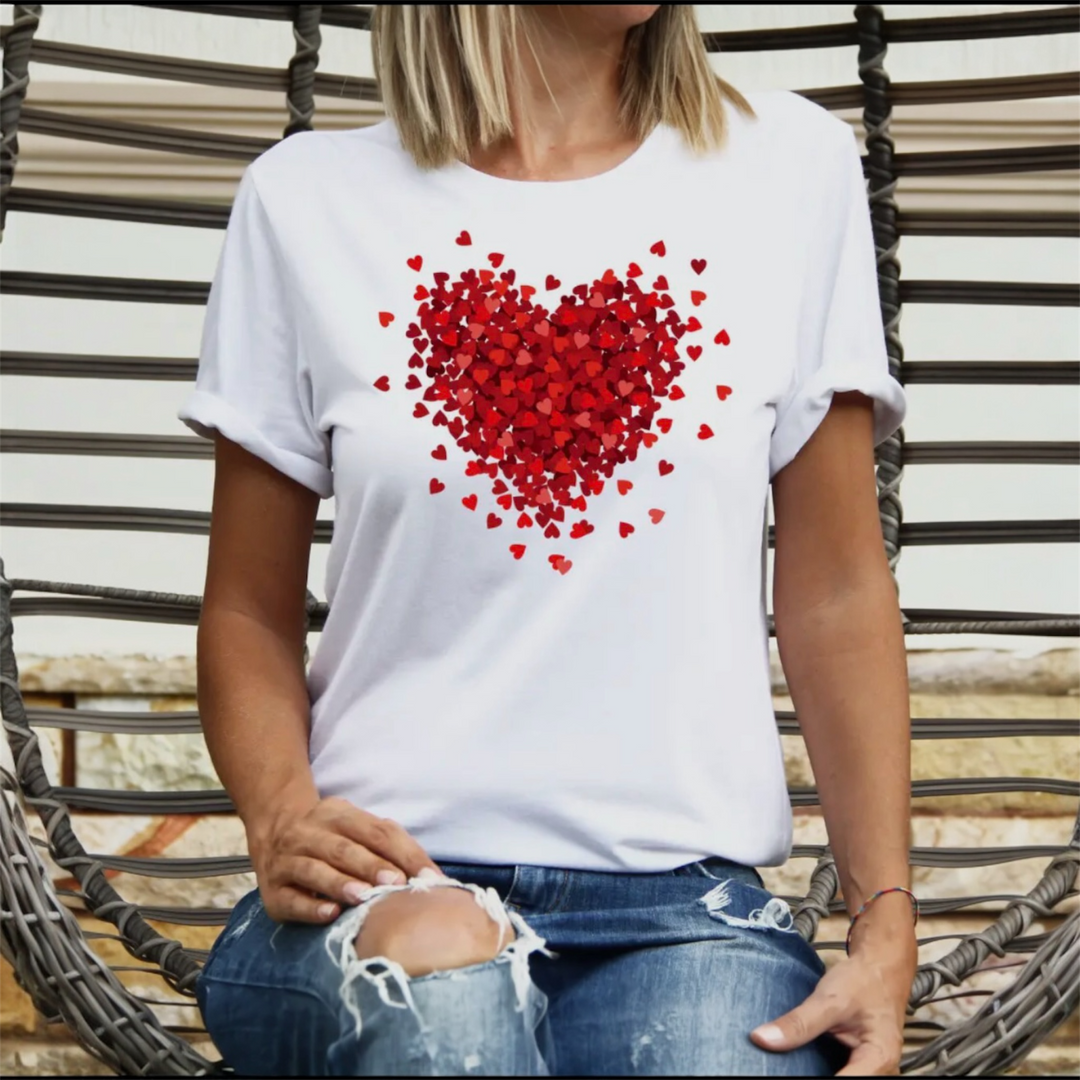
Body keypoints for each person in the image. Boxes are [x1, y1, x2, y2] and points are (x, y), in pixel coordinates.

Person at [178, 4, 917, 1075]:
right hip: (388, 890)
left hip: (685, 914)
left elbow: (839, 591)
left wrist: (884, 917)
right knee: (441, 977)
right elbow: (246, 606)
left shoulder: (791, 172)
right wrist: (283, 813)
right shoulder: (304, 202)